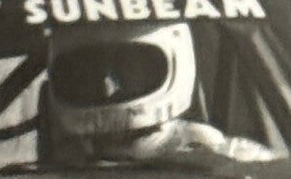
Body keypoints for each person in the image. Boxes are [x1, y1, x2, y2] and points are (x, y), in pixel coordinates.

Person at [45, 20, 275, 164]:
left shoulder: (227, 159)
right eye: (91, 68)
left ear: (177, 61)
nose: (109, 86)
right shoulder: (55, 171)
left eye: (127, 65)